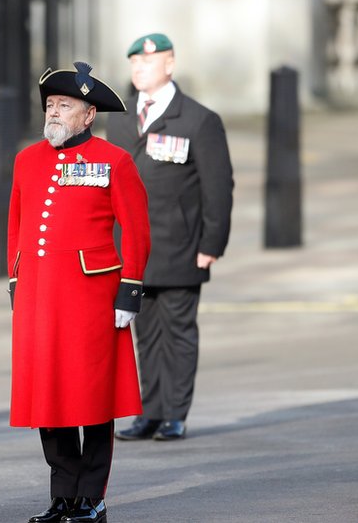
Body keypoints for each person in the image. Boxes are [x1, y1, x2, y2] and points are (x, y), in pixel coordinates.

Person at [7, 62, 150, 523]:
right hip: (40, 299)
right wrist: (16, 282)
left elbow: (138, 231)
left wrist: (130, 291)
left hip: (92, 300)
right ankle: (62, 496)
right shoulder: (27, 159)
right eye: (50, 105)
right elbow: (16, 225)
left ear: (88, 116)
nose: (54, 113)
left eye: (64, 106)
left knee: (92, 399)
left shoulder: (114, 161)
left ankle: (92, 498)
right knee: (49, 399)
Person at [106, 33, 234, 441]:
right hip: (133, 249)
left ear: (170, 65)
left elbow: (218, 187)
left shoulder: (198, 119)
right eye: (134, 64)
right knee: (145, 334)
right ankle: (150, 411)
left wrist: (211, 244)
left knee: (178, 333)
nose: (139, 69)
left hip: (180, 246)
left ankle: (175, 413)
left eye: (148, 62)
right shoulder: (122, 118)